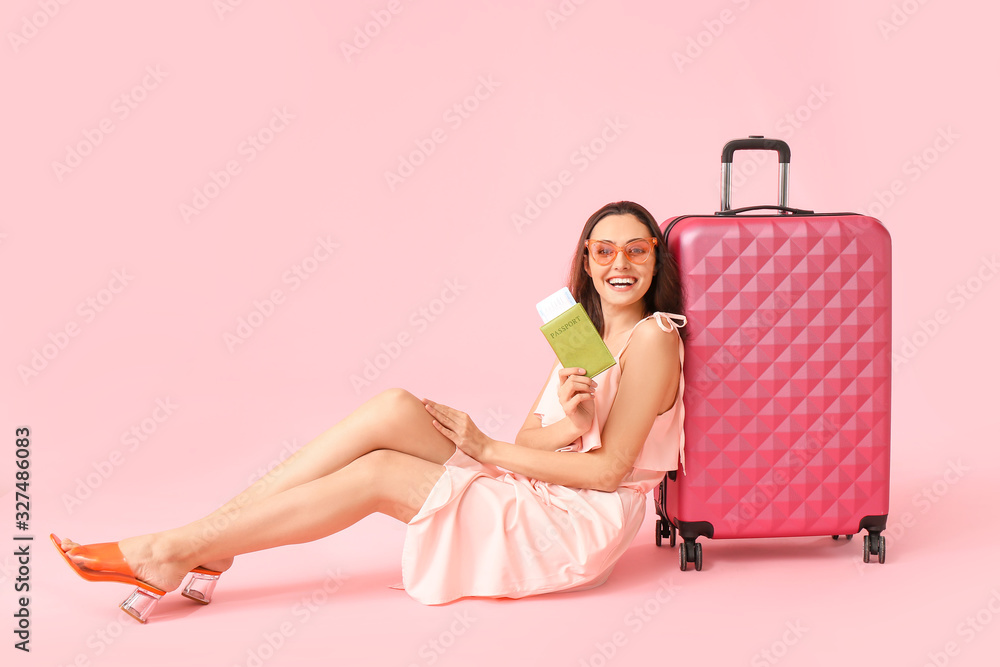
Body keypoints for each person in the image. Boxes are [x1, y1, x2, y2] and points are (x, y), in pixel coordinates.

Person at [52, 200, 688, 621]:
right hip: (544, 483)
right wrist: (571, 427)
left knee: (380, 471)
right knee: (393, 408)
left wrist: (488, 450)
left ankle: (172, 549)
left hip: (579, 525)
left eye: (636, 249)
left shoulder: (655, 338)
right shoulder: (582, 332)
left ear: (655, 258)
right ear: (586, 261)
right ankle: (210, 544)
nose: (619, 264)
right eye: (603, 251)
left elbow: (607, 474)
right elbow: (534, 433)